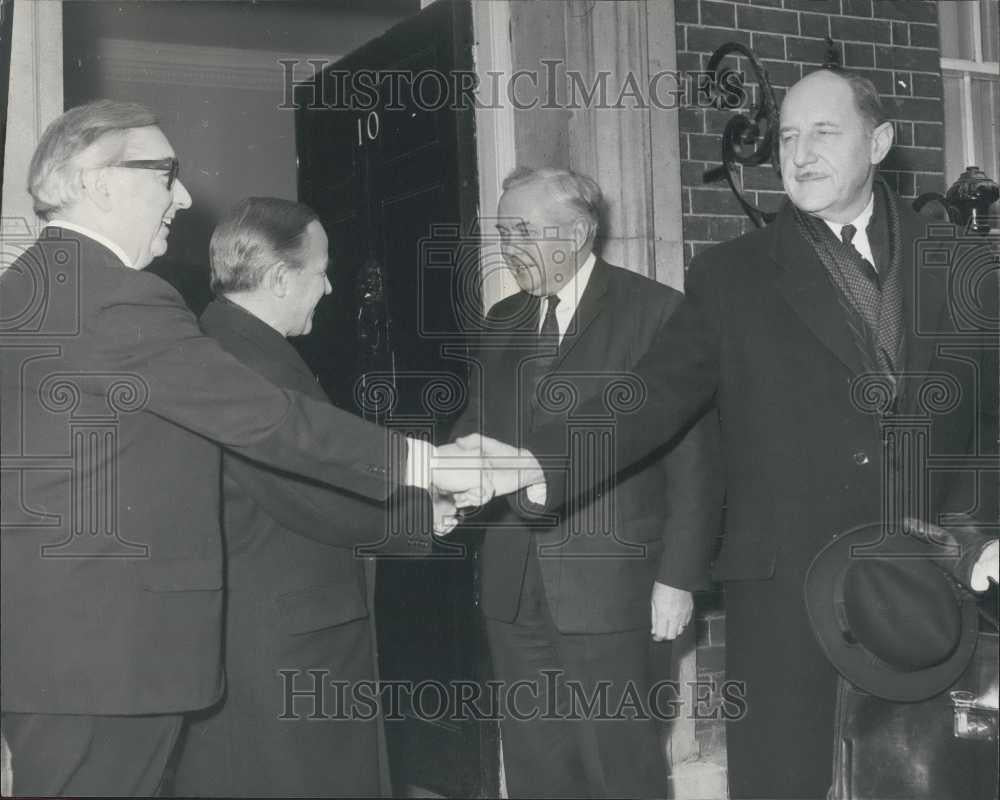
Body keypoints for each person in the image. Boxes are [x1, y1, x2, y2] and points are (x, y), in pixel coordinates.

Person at [465, 68, 999, 798]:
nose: (799, 153)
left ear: (879, 142)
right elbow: (652, 394)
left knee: (925, 776)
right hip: (786, 590)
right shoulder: (731, 275)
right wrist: (544, 463)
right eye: (786, 136)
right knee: (789, 779)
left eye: (822, 133)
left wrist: (985, 529)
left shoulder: (963, 263)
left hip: (929, 580)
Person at [0, 100, 482, 797]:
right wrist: (428, 461)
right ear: (99, 182)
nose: (185, 196)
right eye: (166, 174)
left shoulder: (32, 286)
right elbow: (267, 420)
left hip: (63, 647)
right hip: (109, 656)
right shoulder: (115, 296)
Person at [451, 167, 722, 798]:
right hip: (514, 584)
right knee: (536, 766)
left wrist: (678, 577)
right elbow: (476, 426)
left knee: (619, 765)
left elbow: (695, 460)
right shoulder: (502, 319)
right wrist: (442, 486)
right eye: (500, 232)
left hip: (614, 586)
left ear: (576, 232)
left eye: (521, 230)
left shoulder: (657, 311)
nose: (506, 246)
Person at [169, 198, 436, 796]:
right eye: (321, 270)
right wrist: (435, 512)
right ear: (283, 278)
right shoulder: (251, 362)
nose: (331, 286)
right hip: (287, 640)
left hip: (261, 628)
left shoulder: (226, 341)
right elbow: (309, 492)